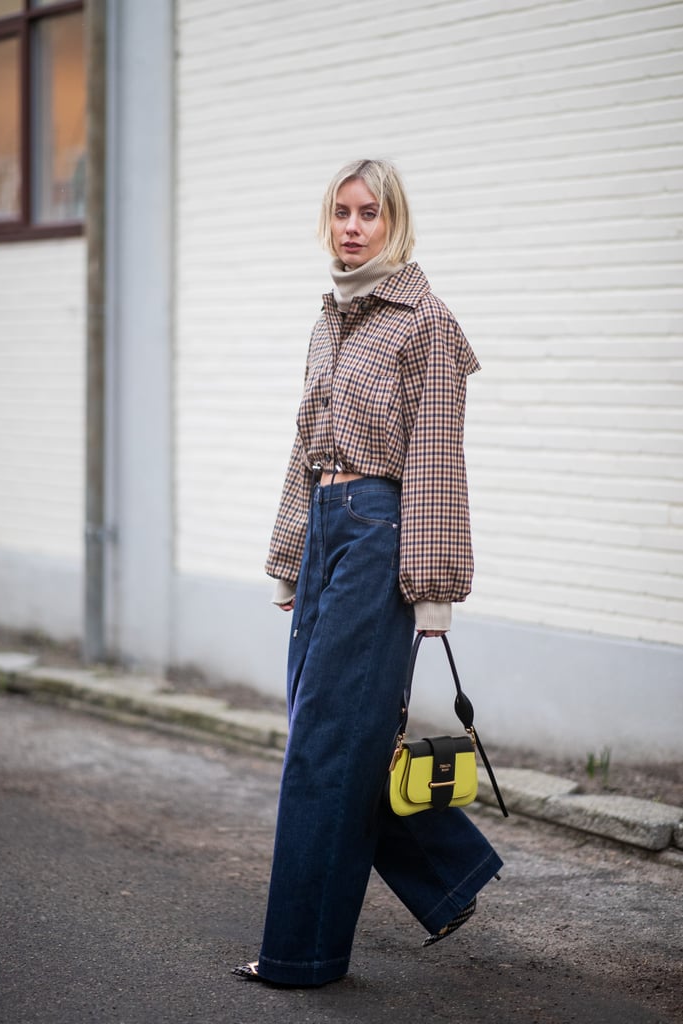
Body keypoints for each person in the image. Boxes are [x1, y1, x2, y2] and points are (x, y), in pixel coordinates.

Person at [232, 158, 503, 988]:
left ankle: (299, 957)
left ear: (395, 223)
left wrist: (432, 591)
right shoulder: (330, 319)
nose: (352, 227)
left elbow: (433, 462)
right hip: (323, 529)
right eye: (341, 212)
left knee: (324, 743)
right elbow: (302, 446)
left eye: (369, 214)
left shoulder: (424, 322)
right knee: (331, 737)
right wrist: (287, 559)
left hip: (382, 533)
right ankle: (445, 868)